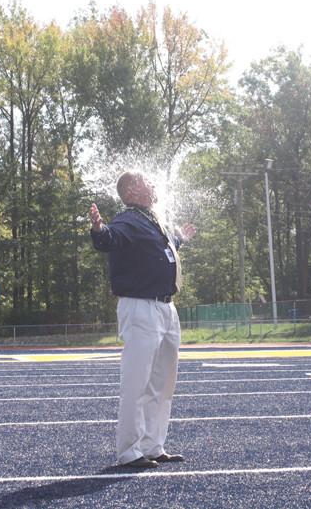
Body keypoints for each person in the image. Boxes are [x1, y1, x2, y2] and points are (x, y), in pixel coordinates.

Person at [89, 170, 196, 469]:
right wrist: (98, 229)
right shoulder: (128, 219)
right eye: (146, 181)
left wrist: (180, 240)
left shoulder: (151, 220)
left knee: (163, 383)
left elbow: (160, 248)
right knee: (138, 382)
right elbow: (109, 238)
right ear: (133, 190)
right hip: (141, 308)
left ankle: (153, 445)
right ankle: (129, 451)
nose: (152, 183)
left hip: (165, 308)